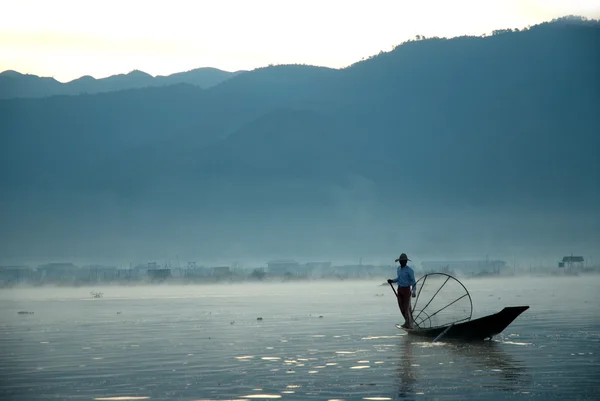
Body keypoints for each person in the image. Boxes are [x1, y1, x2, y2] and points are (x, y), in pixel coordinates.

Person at [387, 253, 417, 329]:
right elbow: (399, 278)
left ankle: (409, 323)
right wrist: (392, 281)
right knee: (401, 306)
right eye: (401, 261)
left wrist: (414, 291)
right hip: (400, 289)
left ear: (406, 262)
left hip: (407, 289)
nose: (402, 262)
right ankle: (407, 322)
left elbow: (413, 281)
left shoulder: (410, 270)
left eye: (403, 261)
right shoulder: (398, 269)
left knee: (407, 307)